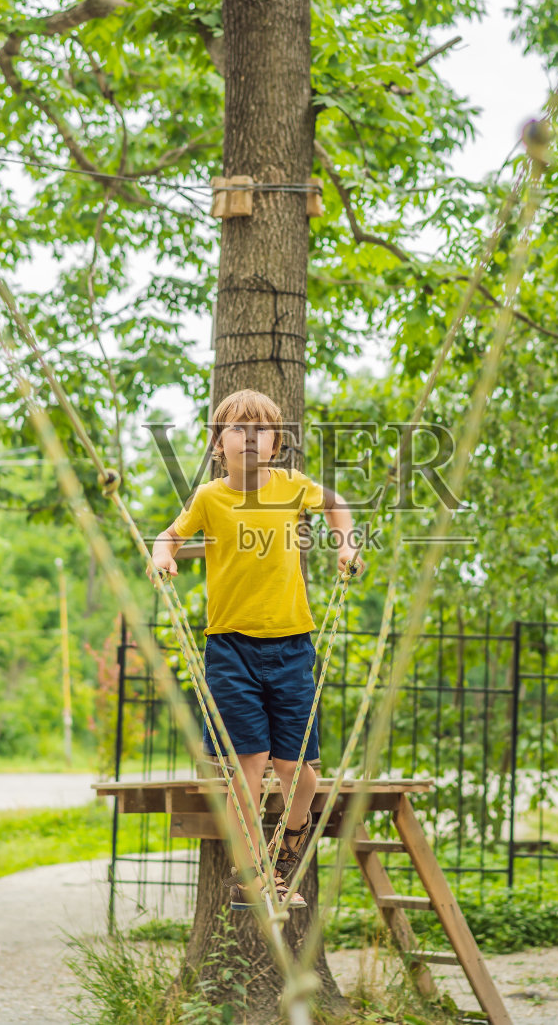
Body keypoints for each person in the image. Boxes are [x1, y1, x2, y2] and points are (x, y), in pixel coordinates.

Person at [148, 389, 362, 910]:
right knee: (247, 770)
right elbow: (168, 536)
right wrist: (162, 558)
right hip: (231, 650)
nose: (249, 437)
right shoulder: (208, 498)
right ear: (217, 444)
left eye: (260, 429)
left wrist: (347, 543)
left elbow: (337, 507)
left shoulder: (292, 487)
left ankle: (285, 856)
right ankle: (252, 878)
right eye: (237, 429)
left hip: (292, 647)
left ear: (276, 443)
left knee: (299, 775)